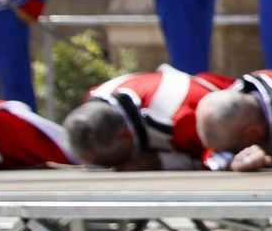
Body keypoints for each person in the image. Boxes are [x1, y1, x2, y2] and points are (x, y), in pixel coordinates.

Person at [62, 67, 235, 170]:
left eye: (109, 164)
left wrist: (162, 161)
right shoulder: (95, 100)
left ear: (125, 136)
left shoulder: (181, 120)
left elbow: (222, 157)